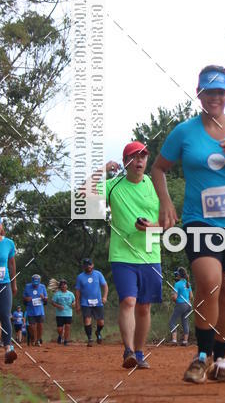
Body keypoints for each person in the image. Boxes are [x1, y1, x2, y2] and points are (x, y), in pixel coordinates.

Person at [152, 65, 225, 384]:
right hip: (200, 222)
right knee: (209, 283)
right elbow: (158, 169)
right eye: (208, 91)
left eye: (220, 92)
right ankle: (200, 357)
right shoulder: (185, 132)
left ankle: (221, 361)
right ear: (199, 93)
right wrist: (166, 202)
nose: (214, 97)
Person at [92, 142, 162, 369]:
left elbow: (168, 222)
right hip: (122, 254)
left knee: (144, 306)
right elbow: (82, 197)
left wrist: (151, 226)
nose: (140, 161)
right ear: (125, 163)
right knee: (128, 301)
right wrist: (102, 170)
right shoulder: (112, 186)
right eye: (134, 157)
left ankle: (140, 353)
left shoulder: (155, 185)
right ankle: (128, 351)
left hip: (150, 253)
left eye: (143, 157)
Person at [75, 259, 108, 347]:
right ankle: (90, 338)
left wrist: (104, 297)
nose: (88, 266)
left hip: (98, 302)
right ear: (84, 266)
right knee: (87, 320)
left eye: (89, 264)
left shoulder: (98, 274)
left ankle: (98, 332)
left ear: (92, 265)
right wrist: (77, 304)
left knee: (101, 322)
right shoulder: (80, 277)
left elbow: (105, 285)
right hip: (85, 302)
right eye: (86, 265)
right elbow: (77, 291)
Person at [0, 220, 18, 363]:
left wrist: (14, 284)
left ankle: (8, 348)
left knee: (5, 315)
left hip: (4, 284)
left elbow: (11, 264)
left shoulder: (9, 243)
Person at [169, 267, 193, 346]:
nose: (176, 275)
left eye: (177, 274)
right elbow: (191, 296)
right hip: (188, 305)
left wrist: (176, 301)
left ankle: (174, 340)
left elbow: (174, 297)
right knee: (185, 322)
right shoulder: (187, 283)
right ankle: (185, 341)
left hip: (181, 304)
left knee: (172, 322)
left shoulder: (177, 284)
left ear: (179, 275)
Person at [23, 274, 48, 347]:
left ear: (39, 282)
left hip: (40, 310)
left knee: (40, 326)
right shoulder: (27, 286)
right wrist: (26, 299)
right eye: (34, 284)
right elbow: (24, 298)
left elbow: (46, 300)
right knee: (31, 327)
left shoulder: (42, 287)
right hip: (30, 310)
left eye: (37, 284)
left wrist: (44, 298)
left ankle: (38, 340)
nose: (35, 285)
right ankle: (33, 338)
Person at [51, 279, 75, 345]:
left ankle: (66, 341)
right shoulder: (57, 294)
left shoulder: (70, 294)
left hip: (68, 313)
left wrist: (73, 304)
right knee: (59, 329)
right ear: (60, 286)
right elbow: (52, 302)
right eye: (62, 285)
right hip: (59, 314)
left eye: (65, 284)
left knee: (67, 327)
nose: (63, 286)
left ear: (67, 286)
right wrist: (58, 306)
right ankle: (60, 336)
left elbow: (74, 301)